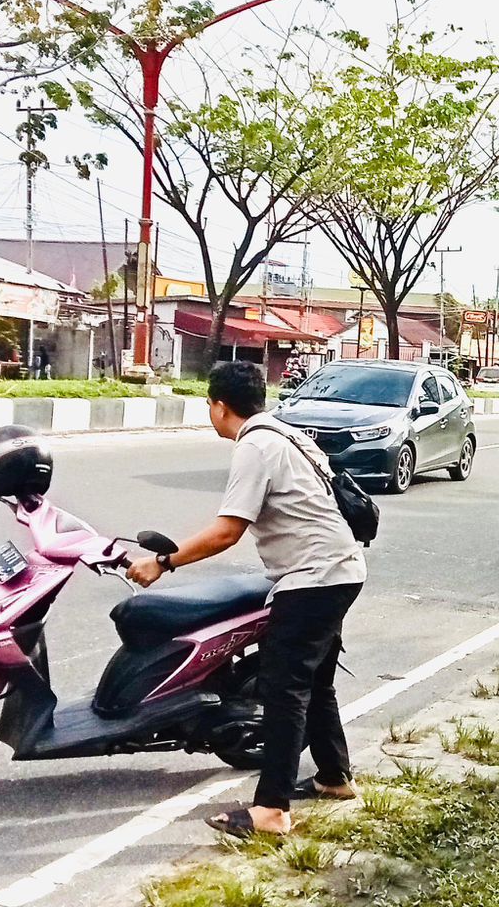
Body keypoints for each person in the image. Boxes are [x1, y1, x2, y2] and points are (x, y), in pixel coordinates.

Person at [126, 360, 367, 840]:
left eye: (209, 405)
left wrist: (163, 563)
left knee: (284, 689)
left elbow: (225, 533)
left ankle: (271, 811)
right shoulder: (288, 433)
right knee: (315, 682)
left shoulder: (255, 446)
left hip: (314, 577)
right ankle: (334, 777)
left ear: (218, 405)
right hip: (340, 569)